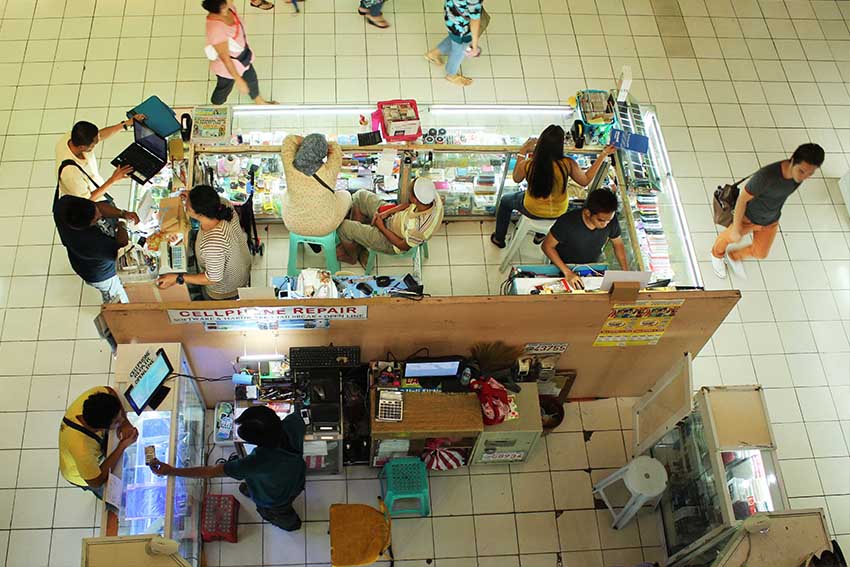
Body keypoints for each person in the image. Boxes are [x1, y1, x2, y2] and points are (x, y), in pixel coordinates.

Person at [150, 406, 306, 532]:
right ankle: (252, 491)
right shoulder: (293, 424)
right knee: (252, 487)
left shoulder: (255, 463)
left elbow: (210, 471)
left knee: (277, 513)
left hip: (274, 500)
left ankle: (291, 525)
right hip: (297, 480)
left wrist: (172, 471)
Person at [490, 125, 617, 248]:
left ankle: (499, 238)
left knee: (505, 201)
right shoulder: (568, 163)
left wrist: (522, 152)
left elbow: (516, 178)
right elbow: (585, 181)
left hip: (532, 209)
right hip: (559, 211)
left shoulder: (529, 164)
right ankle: (540, 235)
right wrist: (603, 154)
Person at [711, 143, 824, 279]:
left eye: (810, 173)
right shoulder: (766, 176)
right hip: (748, 217)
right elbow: (742, 199)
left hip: (770, 220)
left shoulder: (797, 179)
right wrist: (736, 227)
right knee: (729, 237)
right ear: (792, 160)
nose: (804, 177)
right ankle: (716, 255)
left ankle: (734, 256)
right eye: (801, 171)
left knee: (760, 253)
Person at [156, 185, 251, 300]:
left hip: (225, 289)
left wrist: (178, 278)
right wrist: (192, 196)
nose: (185, 205)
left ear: (200, 214)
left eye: (188, 207)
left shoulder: (213, 243)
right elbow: (208, 198)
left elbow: (212, 278)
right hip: (240, 265)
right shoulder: (224, 205)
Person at [337, 178, 444, 265]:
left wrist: (381, 227)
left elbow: (402, 246)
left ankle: (352, 257)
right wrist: (387, 212)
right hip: (395, 218)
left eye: (410, 193)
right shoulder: (432, 198)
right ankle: (358, 243)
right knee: (360, 196)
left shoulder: (419, 229)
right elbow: (408, 205)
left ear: (415, 199)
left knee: (344, 227)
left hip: (390, 242)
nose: (408, 194)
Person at [54, 195, 139, 303]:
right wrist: (121, 225)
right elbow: (122, 250)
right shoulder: (90, 243)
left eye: (97, 211)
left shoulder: (64, 205)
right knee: (117, 299)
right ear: (86, 225)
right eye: (97, 219)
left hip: (92, 260)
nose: (101, 215)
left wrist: (122, 213)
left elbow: (97, 206)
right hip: (101, 275)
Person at [59, 386, 138, 499]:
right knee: (114, 495)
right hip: (82, 474)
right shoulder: (82, 449)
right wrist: (122, 445)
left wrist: (124, 422)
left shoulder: (93, 400)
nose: (120, 420)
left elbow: (109, 390)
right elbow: (96, 481)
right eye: (116, 421)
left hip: (93, 455)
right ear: (101, 429)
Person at [541, 189, 628, 289]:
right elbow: (547, 246)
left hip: (591, 268)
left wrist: (625, 272)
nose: (605, 224)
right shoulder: (567, 222)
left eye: (609, 220)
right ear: (587, 213)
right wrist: (567, 272)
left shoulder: (610, 221)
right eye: (601, 220)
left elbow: (618, 243)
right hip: (563, 267)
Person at [56, 116, 144, 201]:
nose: (97, 143)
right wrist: (113, 179)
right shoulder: (71, 174)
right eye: (93, 144)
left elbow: (100, 135)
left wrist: (125, 124)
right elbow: (87, 200)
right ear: (82, 147)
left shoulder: (71, 137)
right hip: (91, 201)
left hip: (95, 185)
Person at [280, 134, 351, 238]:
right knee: (346, 194)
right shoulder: (329, 171)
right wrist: (323, 144)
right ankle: (345, 234)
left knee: (284, 193)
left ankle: (309, 240)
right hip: (325, 227)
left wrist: (309, 142)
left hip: (292, 224)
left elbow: (289, 139)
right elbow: (336, 148)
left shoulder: (289, 164)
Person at [204, 0, 275, 105]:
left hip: (244, 57)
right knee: (224, 88)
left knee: (251, 79)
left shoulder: (229, 9)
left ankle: (259, 101)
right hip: (228, 67)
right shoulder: (216, 29)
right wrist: (238, 79)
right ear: (223, 7)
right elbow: (225, 58)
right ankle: (216, 105)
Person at [424, 0, 484, 87]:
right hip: (462, 25)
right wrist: (474, 45)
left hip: (451, 15)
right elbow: (474, 20)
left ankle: (433, 53)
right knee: (459, 49)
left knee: (455, 39)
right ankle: (451, 75)